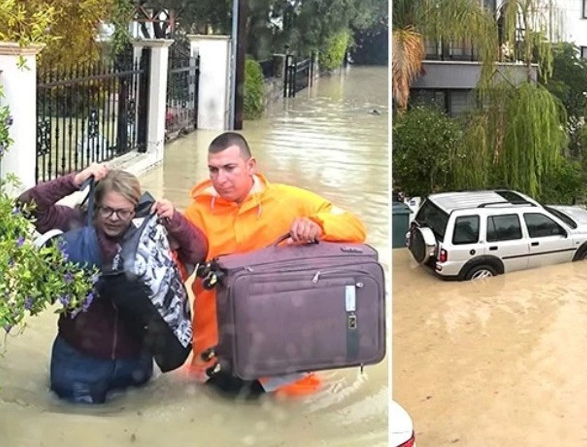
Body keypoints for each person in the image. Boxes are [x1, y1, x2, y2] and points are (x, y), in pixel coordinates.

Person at [183, 132, 367, 398]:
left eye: (229, 168)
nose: (220, 179)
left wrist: (318, 225)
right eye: (213, 170)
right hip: (213, 359)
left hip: (282, 369)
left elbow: (355, 226)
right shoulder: (196, 214)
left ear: (251, 166)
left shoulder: (291, 201)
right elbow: (174, 271)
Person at [17, 163, 207, 404]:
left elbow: (199, 252)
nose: (114, 218)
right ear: (96, 206)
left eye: (123, 212)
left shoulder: (150, 233)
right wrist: (73, 181)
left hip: (135, 362)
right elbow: (26, 208)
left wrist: (176, 220)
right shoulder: (75, 223)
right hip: (79, 364)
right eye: (107, 210)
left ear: (135, 209)